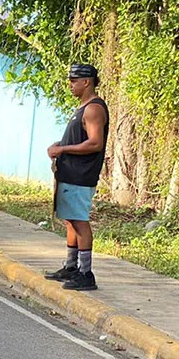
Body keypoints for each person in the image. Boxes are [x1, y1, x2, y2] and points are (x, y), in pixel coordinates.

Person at [45, 63, 109, 292]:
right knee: (70, 219)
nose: (70, 85)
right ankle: (71, 266)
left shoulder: (93, 109)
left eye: (74, 81)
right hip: (70, 174)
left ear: (87, 82)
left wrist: (63, 150)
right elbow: (79, 138)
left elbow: (94, 143)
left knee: (80, 221)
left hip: (81, 176)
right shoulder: (82, 107)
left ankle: (86, 272)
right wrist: (60, 145)